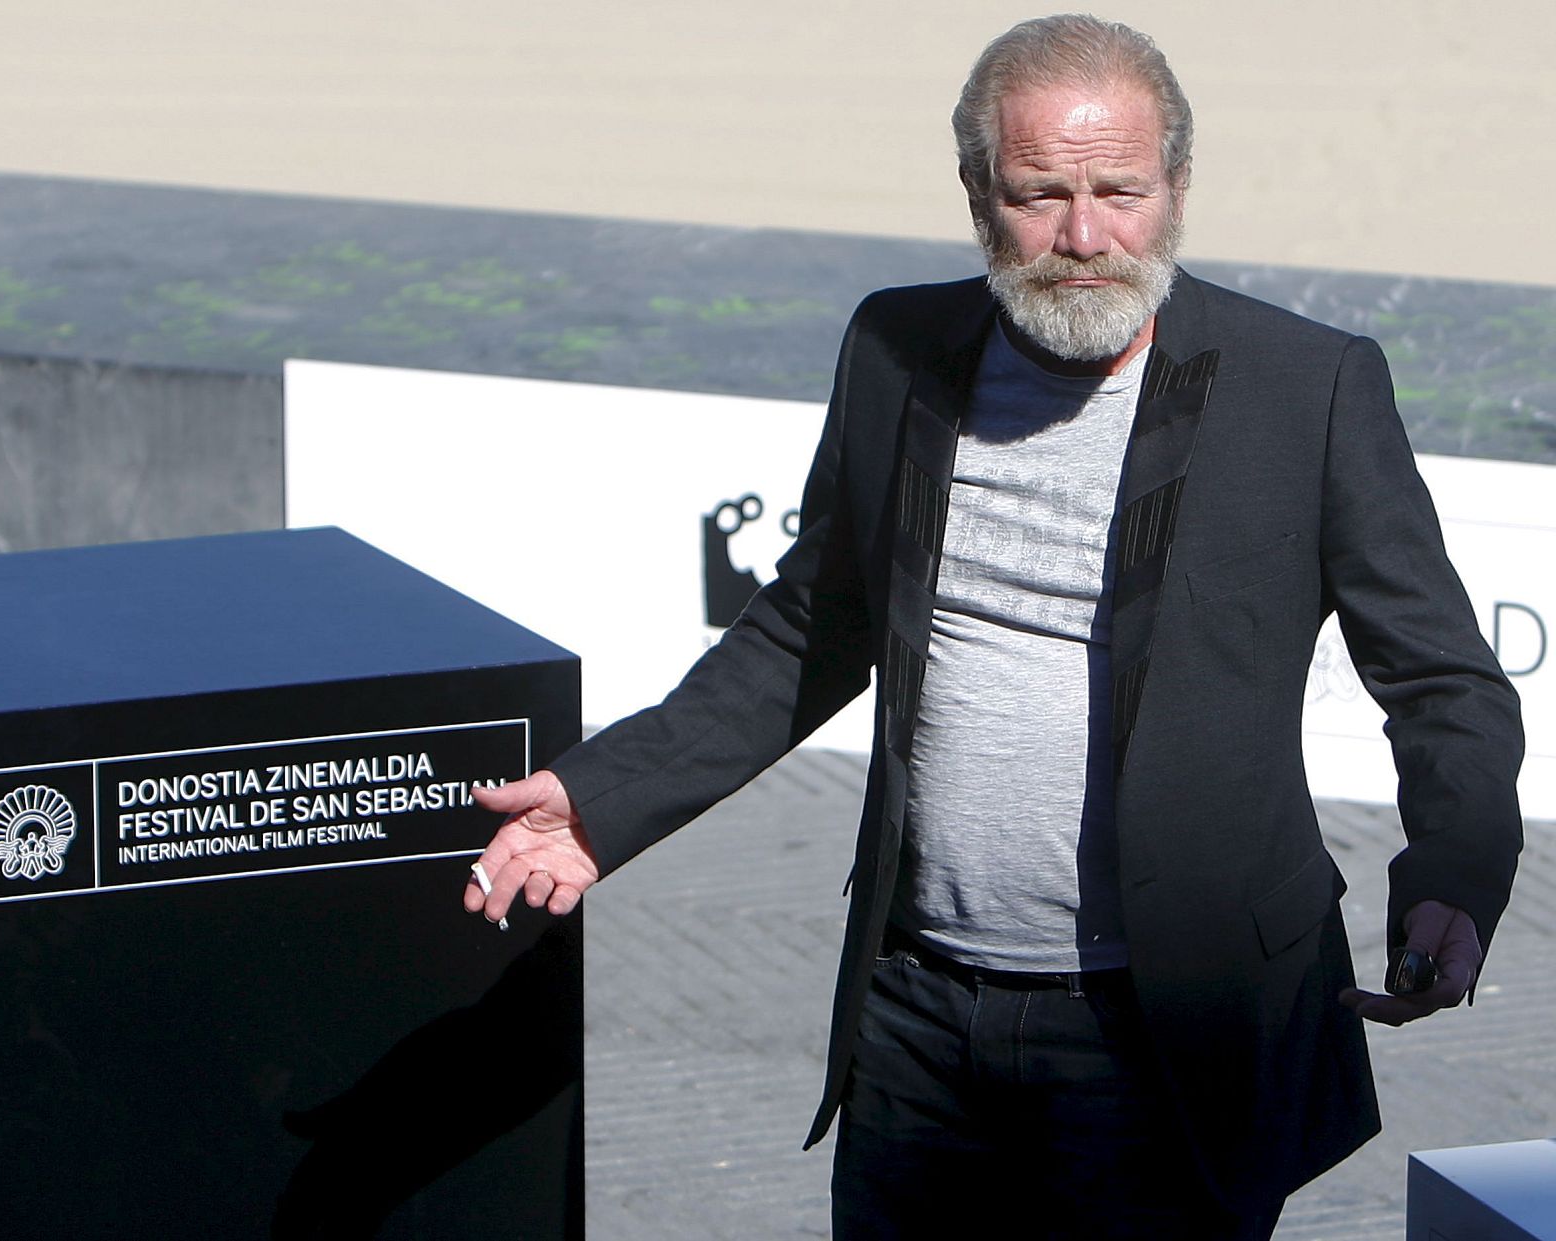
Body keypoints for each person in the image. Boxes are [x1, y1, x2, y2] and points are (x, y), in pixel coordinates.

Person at [463, 15, 1523, 1239]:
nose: (1084, 236)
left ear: (1177, 186)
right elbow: (810, 628)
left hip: (1171, 1027)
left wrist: (1453, 871)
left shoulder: (1309, 386)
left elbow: (1446, 681)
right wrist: (604, 798)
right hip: (917, 1018)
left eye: (1120, 190)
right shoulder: (893, 350)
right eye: (1040, 193)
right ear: (977, 192)